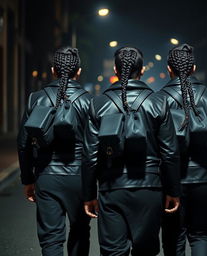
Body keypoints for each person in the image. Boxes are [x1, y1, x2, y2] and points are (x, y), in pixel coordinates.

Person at [82, 46, 181, 256]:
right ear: (142, 70)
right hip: (150, 187)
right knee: (145, 251)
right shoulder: (158, 102)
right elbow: (170, 152)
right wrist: (173, 191)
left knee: (113, 252)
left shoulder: (98, 103)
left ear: (116, 71)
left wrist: (89, 194)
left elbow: (90, 155)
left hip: (111, 187)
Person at [159, 43, 207, 256]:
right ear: (193, 68)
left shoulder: (158, 99)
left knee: (173, 236)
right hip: (206, 177)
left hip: (171, 180)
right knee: (201, 235)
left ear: (169, 69)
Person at [17, 46, 91, 256]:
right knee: (79, 232)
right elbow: (94, 145)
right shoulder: (88, 101)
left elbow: (23, 143)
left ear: (53, 71)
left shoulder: (35, 98)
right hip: (79, 177)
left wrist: (28, 179)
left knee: (51, 239)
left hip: (46, 175)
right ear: (78, 71)